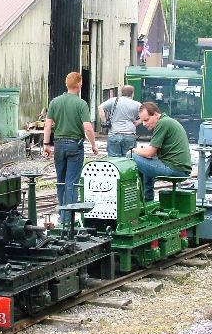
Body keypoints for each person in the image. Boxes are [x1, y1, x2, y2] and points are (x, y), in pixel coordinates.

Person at [43, 72, 98, 223]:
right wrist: (93, 145)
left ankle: (62, 216)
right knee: (72, 182)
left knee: (60, 181)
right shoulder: (81, 104)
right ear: (80, 85)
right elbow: (87, 127)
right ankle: (69, 219)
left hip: (58, 145)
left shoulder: (55, 102)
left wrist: (46, 144)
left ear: (66, 84)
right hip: (75, 145)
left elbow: (48, 125)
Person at [132, 102, 191, 201]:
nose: (144, 124)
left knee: (130, 155)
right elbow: (152, 153)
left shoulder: (163, 123)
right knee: (145, 161)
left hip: (174, 169)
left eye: (146, 120)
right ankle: (147, 199)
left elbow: (149, 153)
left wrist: (134, 150)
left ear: (155, 114)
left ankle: (142, 200)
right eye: (142, 121)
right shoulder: (168, 121)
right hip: (180, 168)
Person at [97, 84, 141, 156]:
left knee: (114, 160)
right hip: (130, 135)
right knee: (128, 160)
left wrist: (104, 121)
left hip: (114, 133)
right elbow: (147, 113)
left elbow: (100, 107)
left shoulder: (114, 101)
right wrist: (138, 122)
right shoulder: (137, 104)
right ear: (133, 93)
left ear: (121, 92)